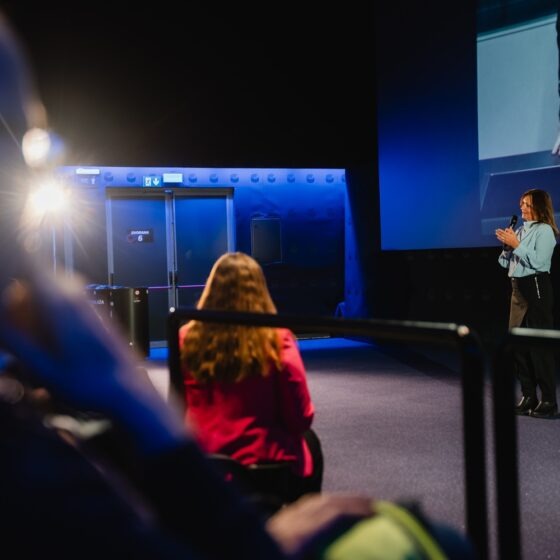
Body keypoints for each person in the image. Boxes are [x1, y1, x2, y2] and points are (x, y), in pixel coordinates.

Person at [179, 252, 323, 499]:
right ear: (259, 289)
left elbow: (177, 405)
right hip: (265, 465)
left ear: (212, 288)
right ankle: (301, 519)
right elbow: (299, 418)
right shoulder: (277, 338)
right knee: (311, 443)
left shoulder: (185, 337)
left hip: (205, 462)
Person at [495, 188, 559, 418]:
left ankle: (549, 400)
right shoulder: (521, 230)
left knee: (539, 347)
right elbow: (504, 264)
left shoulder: (545, 231)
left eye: (527, 204)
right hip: (517, 291)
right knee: (518, 347)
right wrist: (507, 246)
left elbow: (540, 262)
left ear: (539, 207)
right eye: (521, 203)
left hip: (536, 288)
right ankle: (529, 395)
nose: (522, 207)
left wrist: (516, 244)